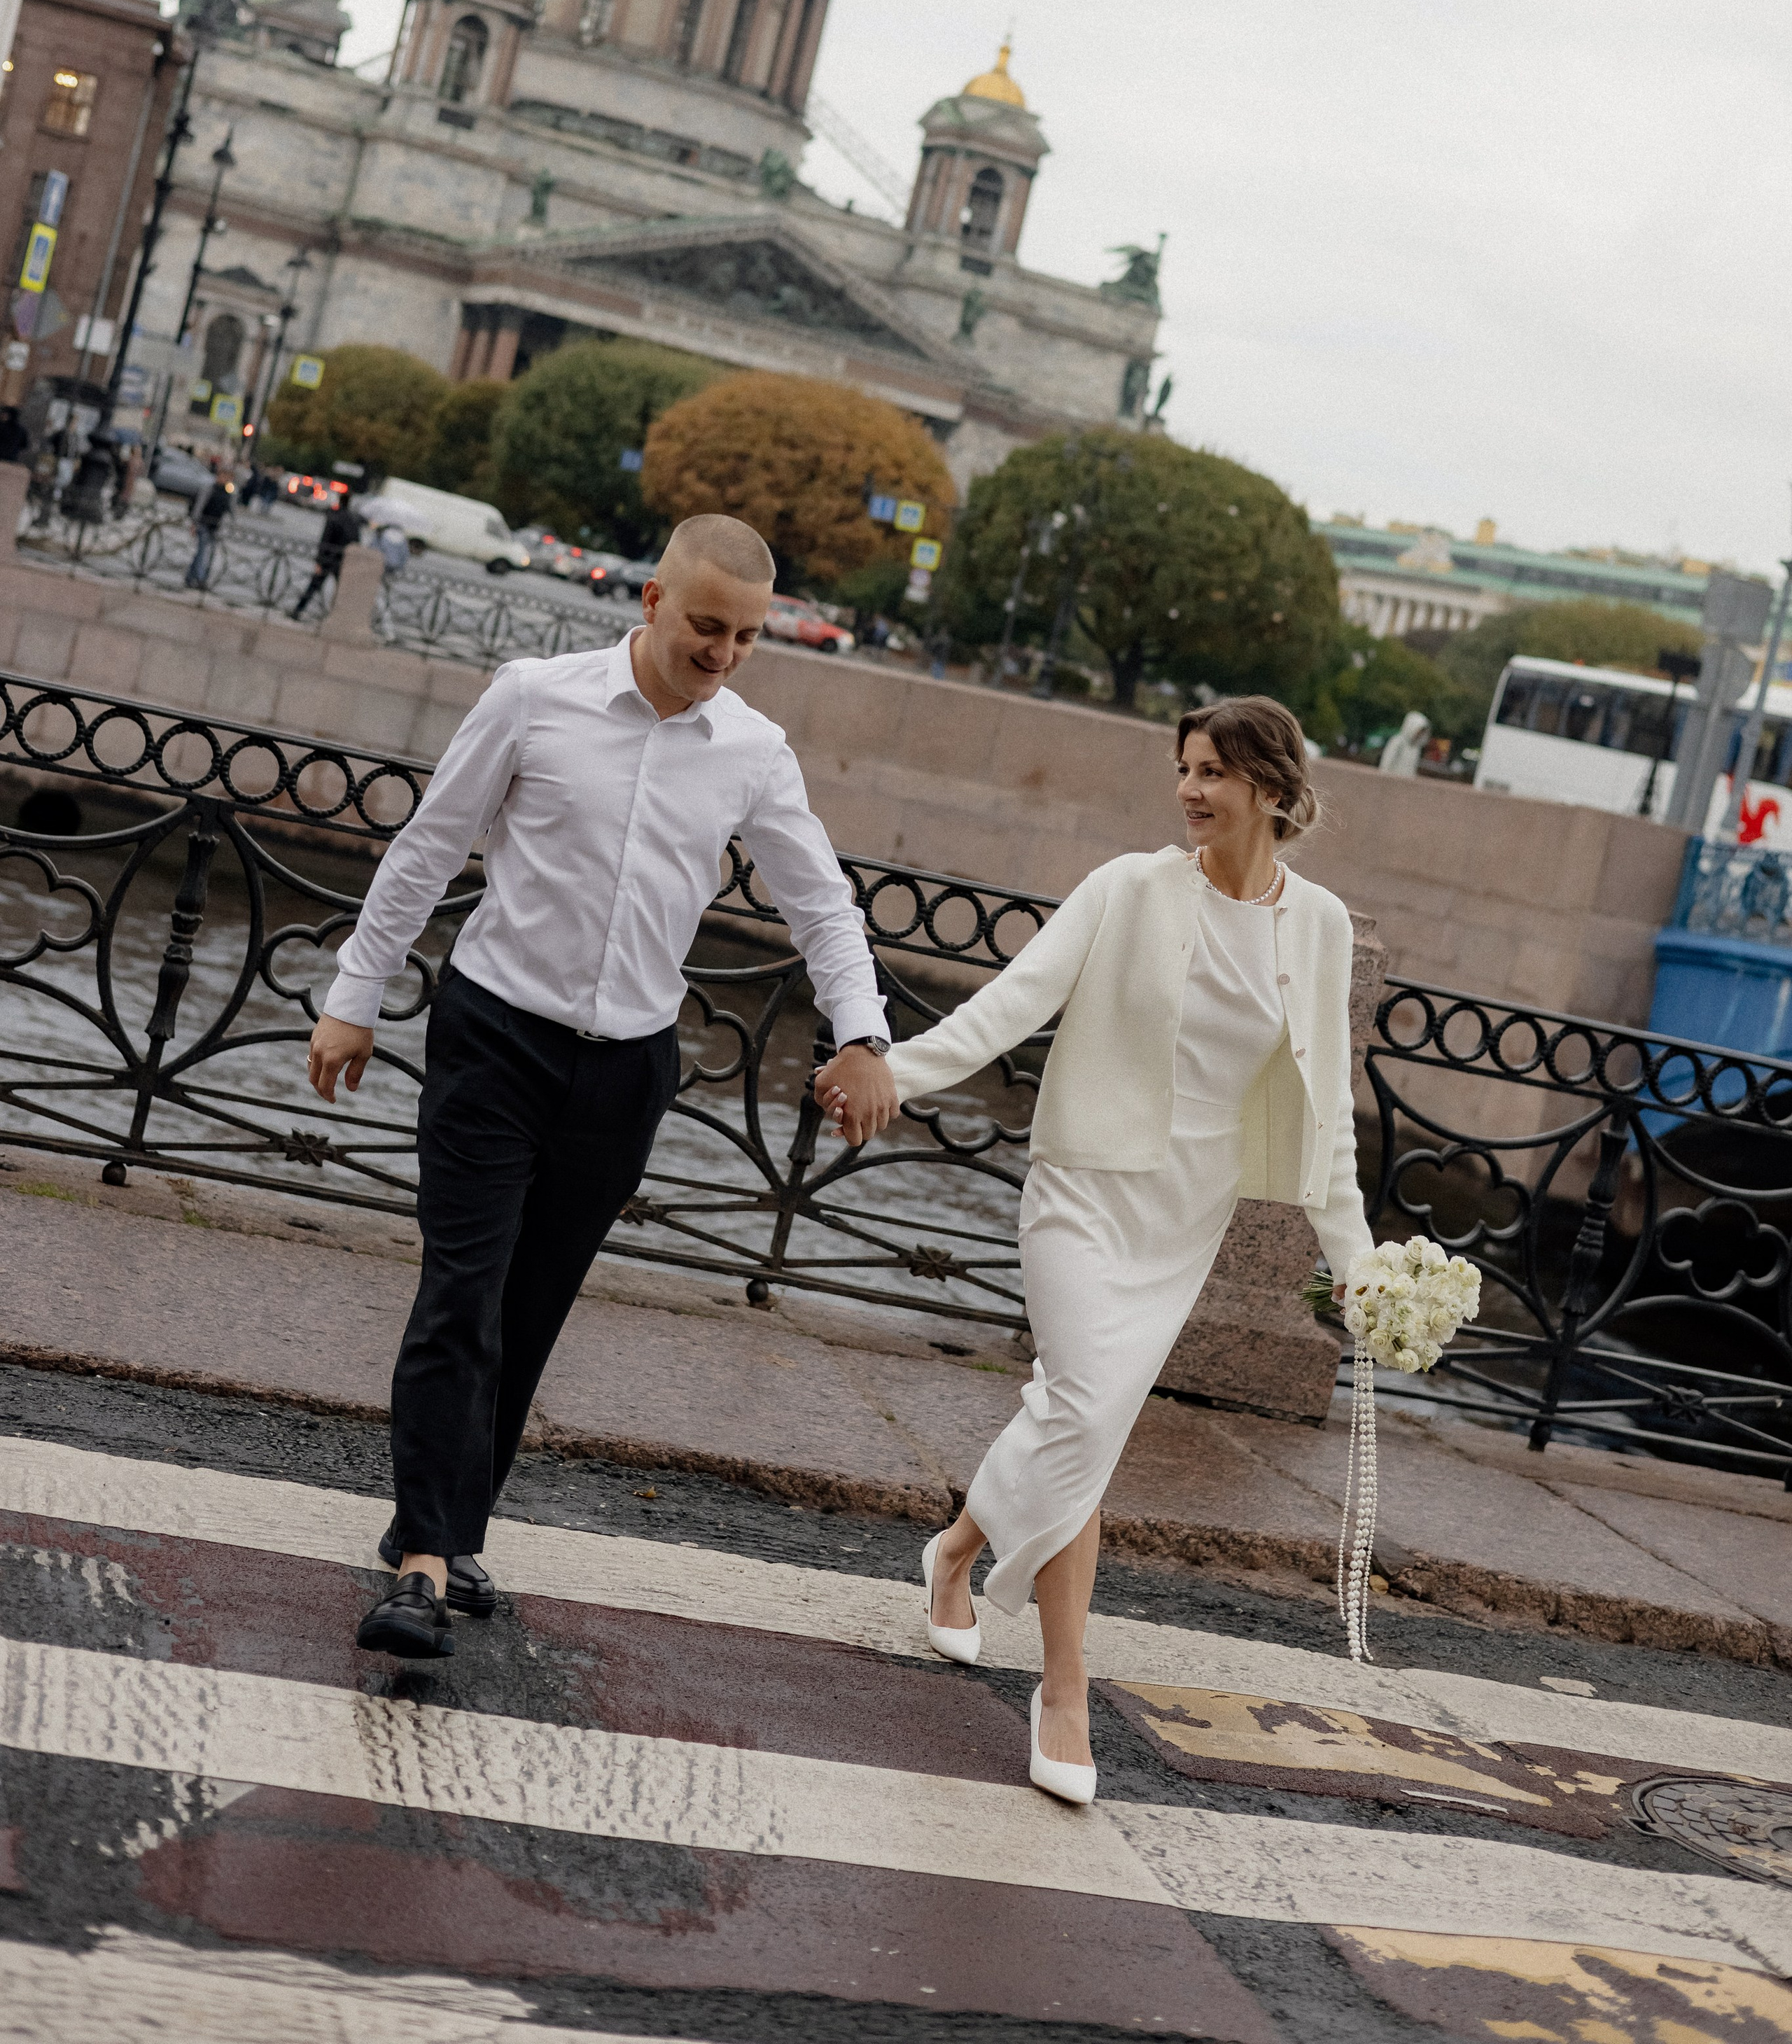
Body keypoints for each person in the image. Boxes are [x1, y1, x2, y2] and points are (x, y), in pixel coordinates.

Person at [304, 514, 897, 1660]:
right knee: (461, 1295)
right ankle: (419, 1565)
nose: (722, 652)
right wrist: (355, 995)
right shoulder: (535, 696)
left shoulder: (753, 752)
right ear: (652, 604)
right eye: (706, 626)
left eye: (745, 636)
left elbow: (821, 904)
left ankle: (456, 1528)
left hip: (627, 1068)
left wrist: (863, 1033)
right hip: (494, 1039)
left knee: (530, 1311)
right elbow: (430, 847)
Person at [812, 695, 1372, 1807]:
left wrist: (1354, 1259)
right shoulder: (1129, 888)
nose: (1190, 791)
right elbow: (1011, 1007)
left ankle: (959, 1550)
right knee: (1084, 1417)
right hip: (1081, 1196)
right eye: (1183, 768)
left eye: (1212, 771)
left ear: (1269, 783)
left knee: (1079, 1423)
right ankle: (1063, 1687)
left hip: (1185, 1222)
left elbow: (1328, 1114)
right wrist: (890, 1067)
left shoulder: (1321, 926)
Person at [290, 497, 361, 617]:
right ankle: (338, 617)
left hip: (328, 559)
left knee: (313, 587)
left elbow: (325, 540)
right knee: (343, 590)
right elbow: (356, 542)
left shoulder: (334, 517)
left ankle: (298, 610)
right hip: (343, 560)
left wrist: (319, 561)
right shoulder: (353, 520)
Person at [183, 470, 234, 587]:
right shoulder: (210, 489)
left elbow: (230, 510)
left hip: (215, 526)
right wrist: (195, 523)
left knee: (203, 553)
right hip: (203, 524)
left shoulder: (227, 493)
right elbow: (199, 506)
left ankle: (190, 577)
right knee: (202, 552)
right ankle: (201, 579)